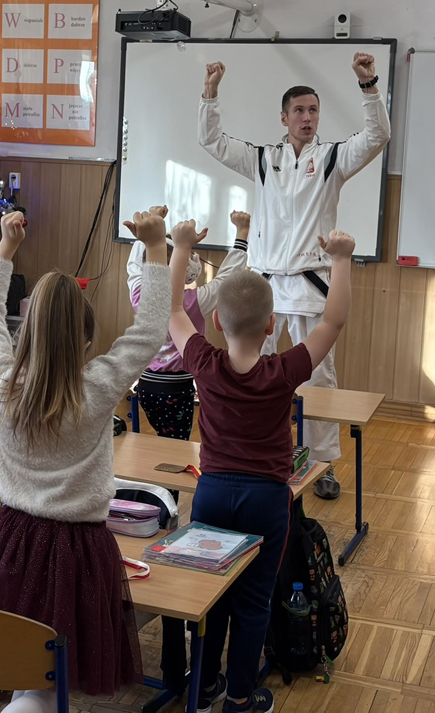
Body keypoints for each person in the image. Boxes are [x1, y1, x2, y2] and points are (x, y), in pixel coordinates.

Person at [0, 209, 175, 709]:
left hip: (12, 540)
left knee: (27, 664)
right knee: (48, 677)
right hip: (77, 548)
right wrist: (156, 249)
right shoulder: (96, 389)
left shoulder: (3, 386)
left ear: (25, 333)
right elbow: (150, 331)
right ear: (86, 343)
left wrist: (5, 250)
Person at [169, 220, 356, 713]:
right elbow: (332, 322)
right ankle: (239, 698)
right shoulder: (283, 370)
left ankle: (202, 689)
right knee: (253, 602)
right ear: (272, 325)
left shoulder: (204, 363)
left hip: (212, 493)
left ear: (216, 322)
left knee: (211, 597)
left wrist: (182, 247)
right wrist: (340, 260)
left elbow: (173, 310)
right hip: (268, 500)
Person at [198, 53, 389, 499]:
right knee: (249, 374)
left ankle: (321, 465)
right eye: (299, 111)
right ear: (283, 118)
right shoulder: (263, 159)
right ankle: (249, 455)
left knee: (317, 379)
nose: (307, 117)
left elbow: (377, 135)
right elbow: (212, 141)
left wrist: (369, 87)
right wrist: (210, 93)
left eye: (313, 110)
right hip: (263, 286)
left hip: (310, 283)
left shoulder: (333, 158)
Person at [126, 208, 251, 441]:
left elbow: (134, 265)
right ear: (187, 270)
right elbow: (228, 278)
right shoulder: (195, 301)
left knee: (156, 440)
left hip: (146, 384)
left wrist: (151, 226)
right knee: (177, 445)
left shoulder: (139, 295)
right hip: (178, 387)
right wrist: (242, 233)